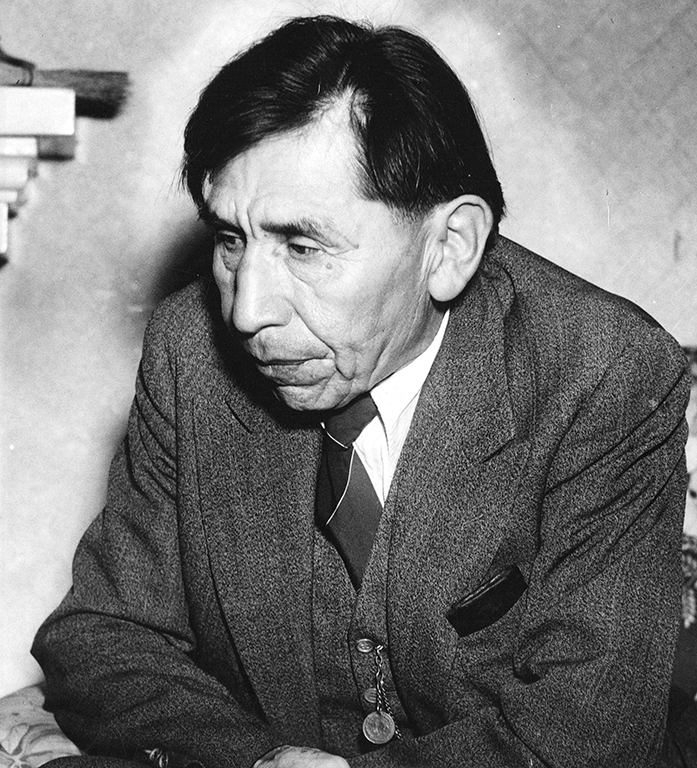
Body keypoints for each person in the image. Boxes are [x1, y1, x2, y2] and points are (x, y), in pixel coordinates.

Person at [33, 14, 690, 768]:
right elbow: (101, 635)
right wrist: (251, 760)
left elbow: (588, 733)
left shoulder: (602, 372)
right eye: (229, 239)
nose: (246, 311)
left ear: (448, 248)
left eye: (303, 246)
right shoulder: (191, 351)